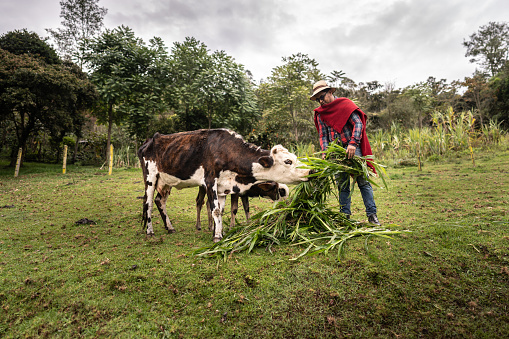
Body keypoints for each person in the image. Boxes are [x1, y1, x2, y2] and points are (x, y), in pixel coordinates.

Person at [310, 80, 381, 225]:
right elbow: (323, 135)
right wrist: (325, 150)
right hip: (335, 153)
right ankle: (344, 217)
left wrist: (353, 143)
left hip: (353, 149)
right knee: (342, 185)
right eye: (317, 99)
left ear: (330, 92)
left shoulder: (345, 105)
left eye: (322, 96)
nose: (320, 101)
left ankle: (372, 215)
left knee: (363, 182)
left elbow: (358, 123)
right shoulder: (320, 113)